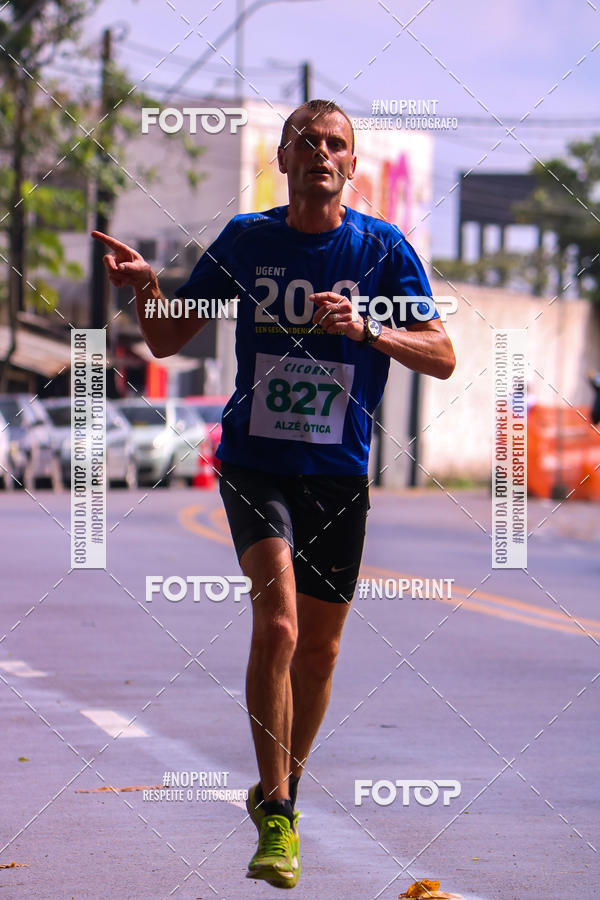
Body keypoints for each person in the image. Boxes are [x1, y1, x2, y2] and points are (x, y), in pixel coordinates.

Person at [92, 98, 456, 891]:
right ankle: (284, 809)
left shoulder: (383, 251)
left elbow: (443, 354)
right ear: (283, 160)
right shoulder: (248, 241)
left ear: (352, 166)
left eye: (336, 144)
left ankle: (275, 786)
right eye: (306, 142)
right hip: (256, 461)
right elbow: (166, 337)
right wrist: (147, 289)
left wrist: (367, 330)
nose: (321, 153)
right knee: (281, 621)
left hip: (337, 473)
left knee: (321, 651)